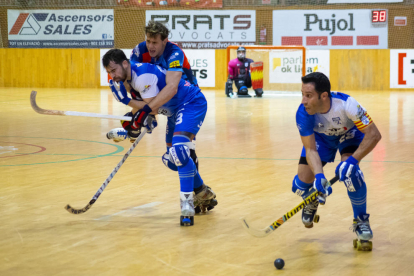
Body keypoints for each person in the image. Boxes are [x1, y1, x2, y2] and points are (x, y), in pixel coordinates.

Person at [102, 49, 217, 226]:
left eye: (113, 70)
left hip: (190, 103)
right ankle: (202, 192)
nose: (112, 75)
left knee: (179, 151)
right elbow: (144, 111)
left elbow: (152, 108)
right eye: (109, 72)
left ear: (125, 63)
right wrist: (129, 127)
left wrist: (125, 101)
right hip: (173, 113)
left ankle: (186, 206)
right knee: (172, 160)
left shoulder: (141, 77)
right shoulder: (129, 79)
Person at [293, 72, 381, 251]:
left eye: (308, 95)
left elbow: (374, 134)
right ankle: (312, 199)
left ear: (323, 95)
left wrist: (353, 161)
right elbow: (310, 149)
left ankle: (361, 221)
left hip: (348, 135)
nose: (303, 100)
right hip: (322, 139)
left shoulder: (348, 105)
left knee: (351, 175)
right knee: (300, 185)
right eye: (302, 94)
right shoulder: (303, 113)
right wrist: (319, 177)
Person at [129, 20, 200, 171]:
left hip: (185, 101)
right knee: (173, 157)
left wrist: (149, 110)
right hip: (164, 100)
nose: (150, 46)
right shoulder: (139, 51)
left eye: (155, 42)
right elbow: (131, 80)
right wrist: (147, 111)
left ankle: (198, 191)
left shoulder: (174, 52)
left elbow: (172, 87)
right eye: (148, 41)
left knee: (184, 152)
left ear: (165, 41)